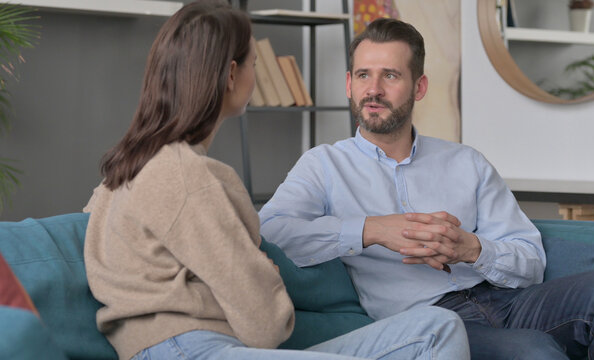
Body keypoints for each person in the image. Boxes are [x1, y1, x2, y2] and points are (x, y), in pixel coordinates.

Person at [83, 2, 470, 360]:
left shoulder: (126, 168)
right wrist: (262, 267)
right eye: (254, 62)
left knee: (435, 326)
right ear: (233, 75)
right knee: (439, 332)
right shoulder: (190, 177)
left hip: (179, 347)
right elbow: (266, 325)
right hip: (195, 350)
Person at [259, 17, 594, 360]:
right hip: (430, 322)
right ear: (348, 83)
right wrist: (372, 229)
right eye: (363, 75)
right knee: (532, 351)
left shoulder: (466, 162)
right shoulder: (324, 165)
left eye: (390, 75)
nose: (373, 90)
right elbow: (271, 232)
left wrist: (473, 249)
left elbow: (531, 259)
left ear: (419, 86)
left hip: (508, 300)